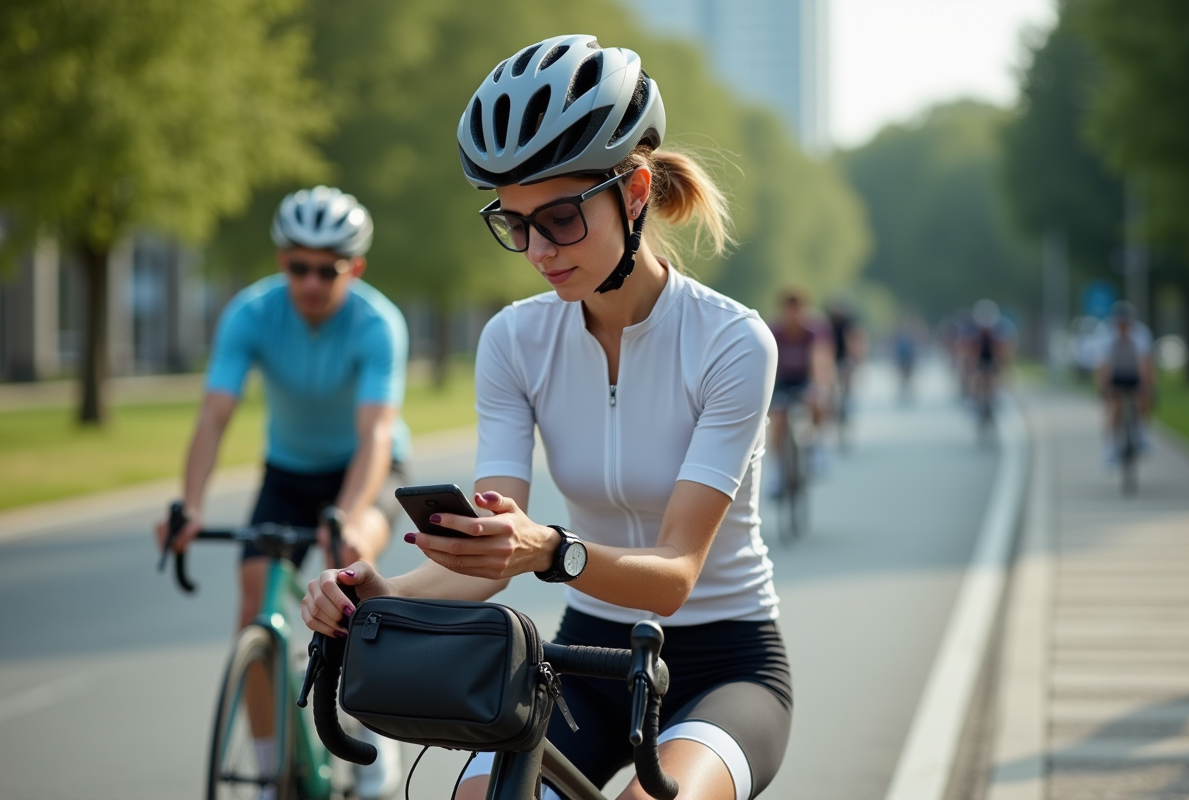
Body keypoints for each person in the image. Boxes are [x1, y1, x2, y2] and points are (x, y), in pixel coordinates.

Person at [300, 35, 791, 800]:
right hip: (585, 659)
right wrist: (378, 593)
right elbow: (493, 554)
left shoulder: (731, 342)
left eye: (560, 217)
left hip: (725, 667)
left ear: (633, 193)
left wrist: (551, 550)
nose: (536, 248)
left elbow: (673, 577)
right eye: (515, 222)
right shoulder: (513, 340)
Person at [154, 185, 409, 800]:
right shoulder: (250, 313)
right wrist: (189, 506)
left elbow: (376, 433)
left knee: (353, 574)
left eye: (329, 270)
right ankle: (272, 773)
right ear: (280, 262)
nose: (312, 283)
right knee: (252, 605)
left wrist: (347, 516)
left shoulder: (378, 323)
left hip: (364, 467)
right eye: (298, 267)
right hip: (289, 472)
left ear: (356, 268)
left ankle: (370, 745)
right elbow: (215, 416)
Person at [768, 289, 835, 479]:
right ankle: (777, 471)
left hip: (806, 379)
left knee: (817, 402)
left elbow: (819, 359)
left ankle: (819, 448)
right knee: (778, 418)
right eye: (789, 309)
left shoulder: (813, 331)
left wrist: (819, 386)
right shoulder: (774, 331)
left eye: (797, 309)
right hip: (781, 380)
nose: (793, 314)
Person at [1093, 301, 1155, 464]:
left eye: (1126, 324)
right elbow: (1103, 365)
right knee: (1114, 406)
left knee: (1143, 399)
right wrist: (1103, 388)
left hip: (1134, 371)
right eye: (1120, 324)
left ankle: (1140, 434)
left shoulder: (1141, 333)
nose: (1123, 328)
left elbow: (1145, 363)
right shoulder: (1105, 334)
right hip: (1115, 372)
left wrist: (1146, 386)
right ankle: (1111, 448)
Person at [824, 296, 867, 426]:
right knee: (829, 381)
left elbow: (855, 339)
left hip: (844, 356)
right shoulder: (828, 323)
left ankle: (847, 399)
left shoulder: (849, 323)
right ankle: (832, 403)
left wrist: (856, 358)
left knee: (846, 375)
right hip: (830, 356)